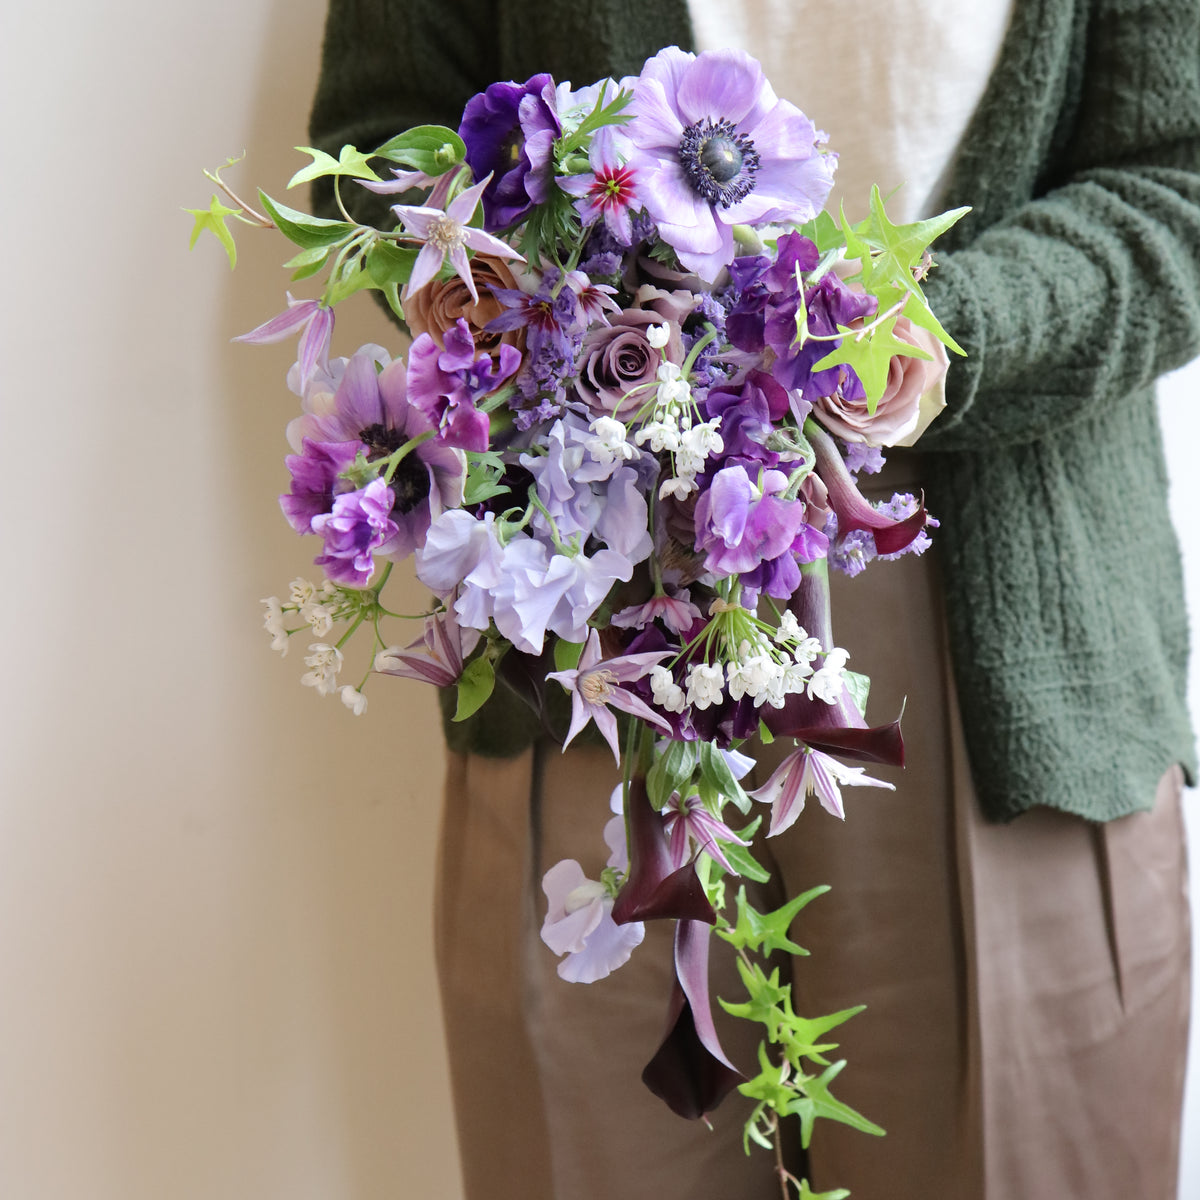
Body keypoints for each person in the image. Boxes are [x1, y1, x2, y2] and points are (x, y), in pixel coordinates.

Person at [307, 1, 1200, 1196]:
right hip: (588, 626)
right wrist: (549, 321)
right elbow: (379, 142)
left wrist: (946, 332)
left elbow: (1177, 178)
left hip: (1005, 653)